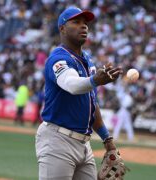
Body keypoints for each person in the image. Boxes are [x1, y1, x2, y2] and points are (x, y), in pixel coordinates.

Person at [35, 7, 124, 179]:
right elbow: (72, 85)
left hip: (85, 144)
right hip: (58, 140)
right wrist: (95, 80)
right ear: (62, 28)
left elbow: (91, 103)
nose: (83, 26)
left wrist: (108, 141)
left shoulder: (87, 59)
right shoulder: (58, 58)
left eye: (85, 23)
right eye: (76, 22)